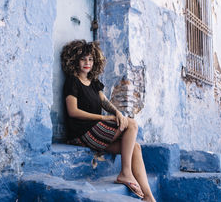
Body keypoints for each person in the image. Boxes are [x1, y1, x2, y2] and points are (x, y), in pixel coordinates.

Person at [61, 40, 156, 202]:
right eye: (83, 59)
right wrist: (104, 117)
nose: (87, 63)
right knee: (132, 124)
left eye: (90, 59)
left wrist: (117, 112)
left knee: (136, 147)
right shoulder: (72, 81)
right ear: (75, 60)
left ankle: (148, 197)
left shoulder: (93, 82)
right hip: (82, 132)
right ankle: (125, 173)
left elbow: (104, 101)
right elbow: (73, 111)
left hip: (95, 131)